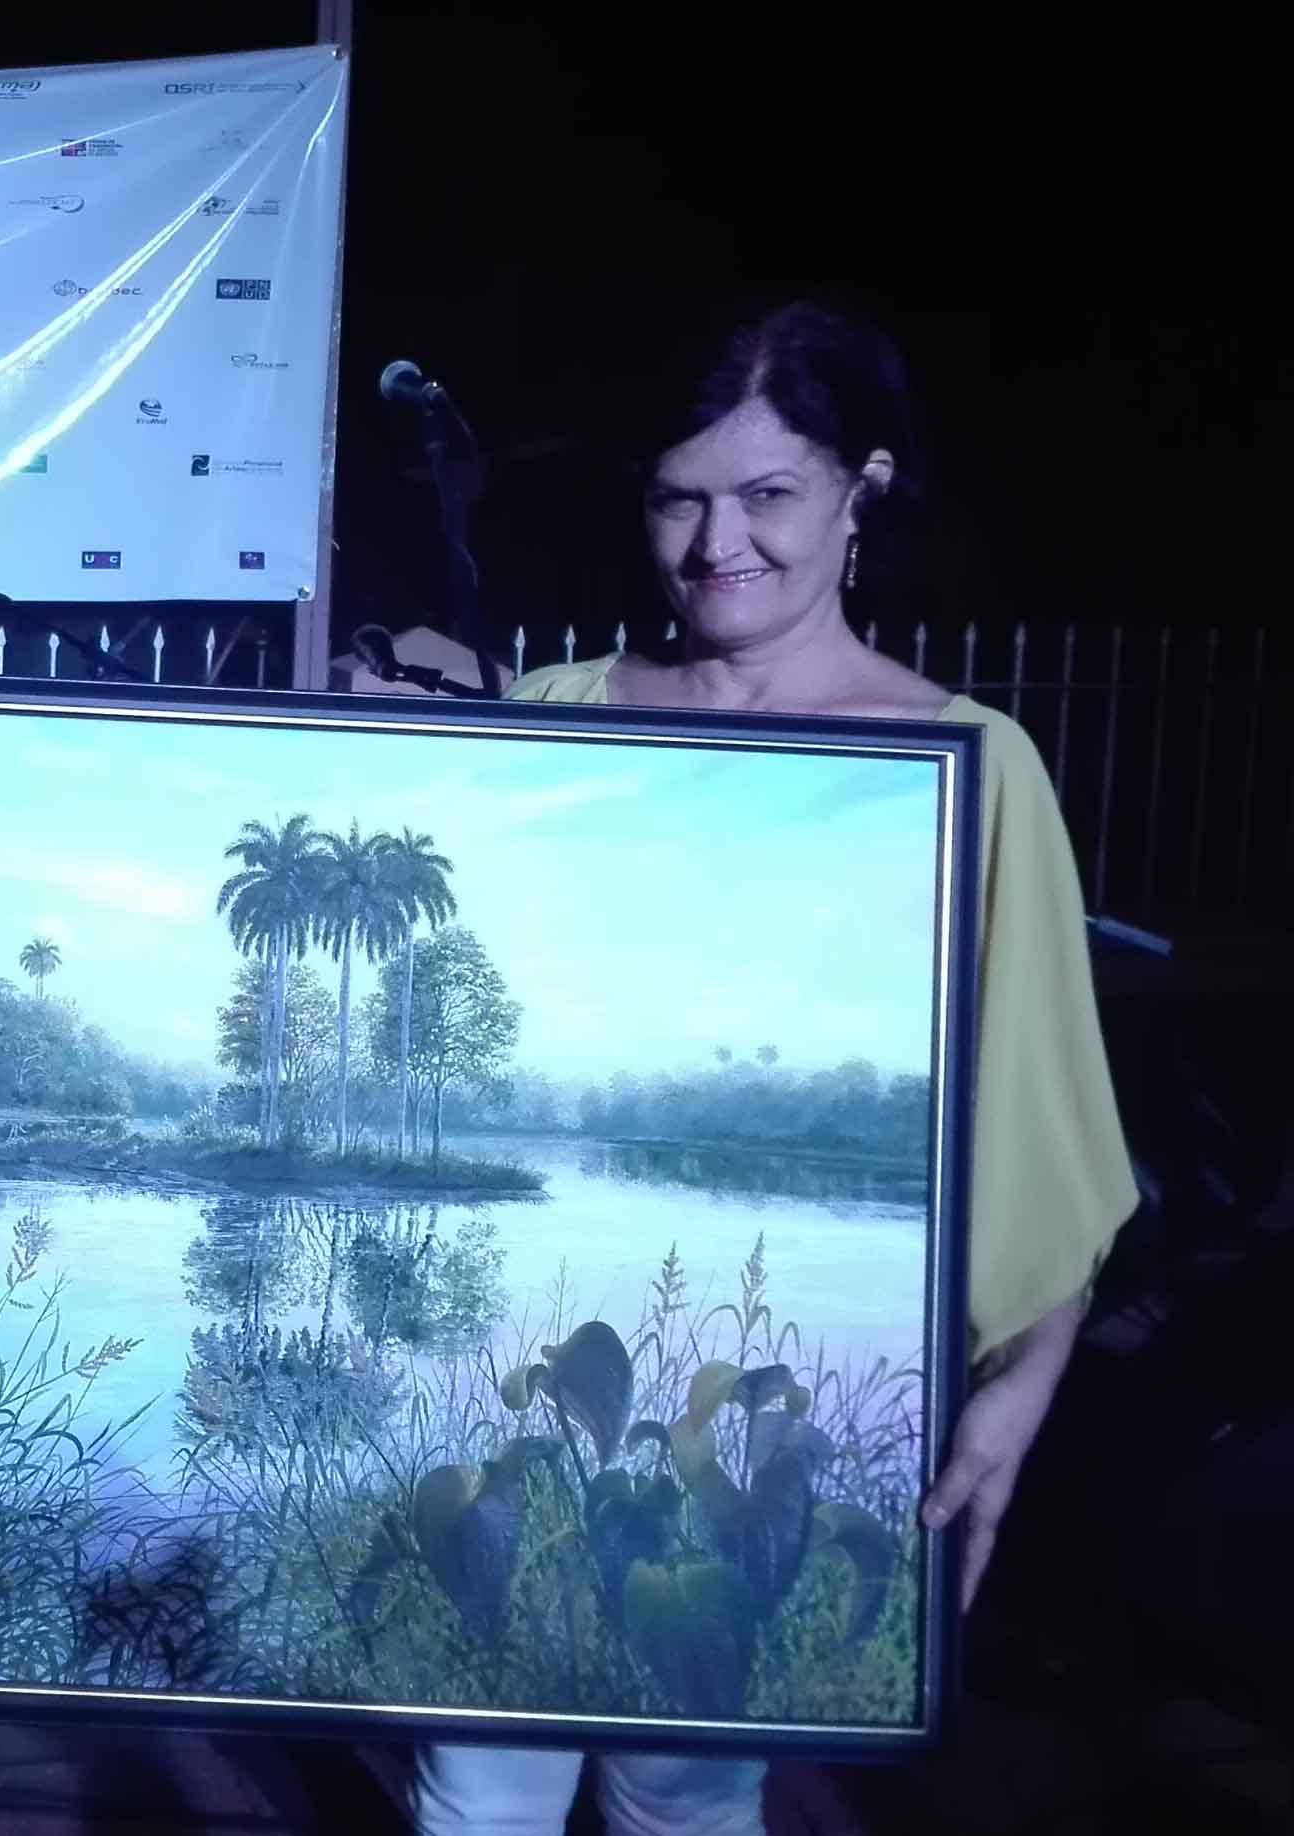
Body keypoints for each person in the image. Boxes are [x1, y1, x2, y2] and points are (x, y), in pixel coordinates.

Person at [396, 302, 1137, 1835]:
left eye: (768, 494)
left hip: (765, 1398)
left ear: (864, 488)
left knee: (689, 1794)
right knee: (473, 1793)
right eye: (680, 497)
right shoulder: (547, 723)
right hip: (520, 1366)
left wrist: (1018, 1393)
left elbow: (1046, 1126)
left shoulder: (970, 767)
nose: (716, 541)